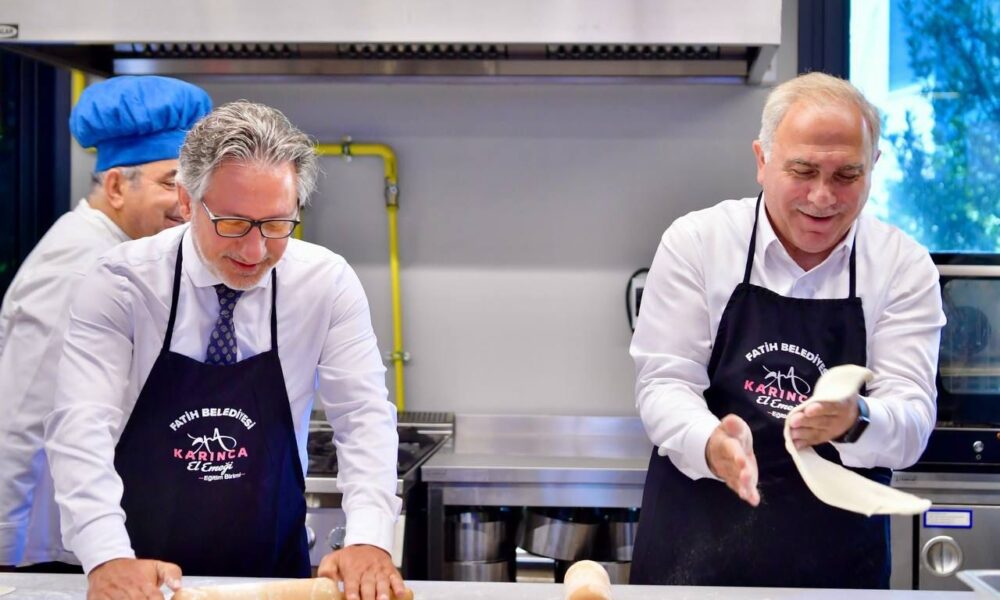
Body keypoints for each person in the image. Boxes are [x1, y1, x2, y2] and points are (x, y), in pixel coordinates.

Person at [43, 100, 404, 600]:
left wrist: (369, 538)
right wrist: (106, 555)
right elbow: (80, 427)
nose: (254, 251)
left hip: (275, 574)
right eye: (232, 223)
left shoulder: (324, 283)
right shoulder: (122, 283)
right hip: (142, 572)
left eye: (276, 224)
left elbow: (363, 417)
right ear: (187, 202)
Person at [628, 72, 946, 588]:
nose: (823, 197)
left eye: (847, 175)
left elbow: (911, 419)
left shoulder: (902, 267)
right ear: (762, 160)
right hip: (695, 559)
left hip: (838, 569)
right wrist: (711, 443)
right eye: (803, 171)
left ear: (873, 166)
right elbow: (665, 384)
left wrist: (857, 419)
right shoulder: (699, 243)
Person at [0, 76, 212, 572]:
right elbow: (21, 421)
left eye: (193, 187)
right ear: (116, 186)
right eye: (169, 183)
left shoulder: (122, 254)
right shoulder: (76, 269)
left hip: (95, 535)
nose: (185, 205)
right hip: (47, 552)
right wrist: (6, 557)